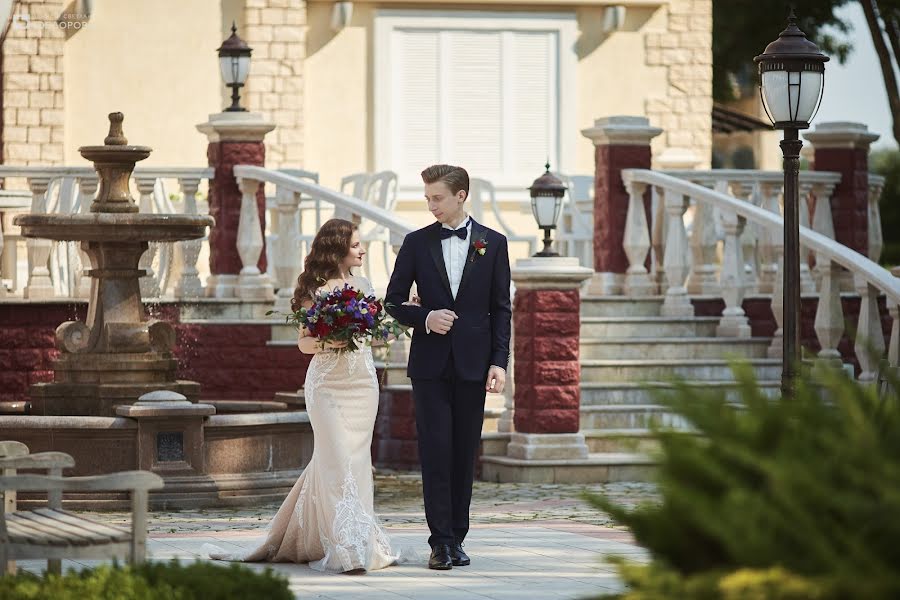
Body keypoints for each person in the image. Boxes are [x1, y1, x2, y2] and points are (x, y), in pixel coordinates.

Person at [208, 218, 398, 574]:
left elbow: (375, 336)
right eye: (356, 245)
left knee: (355, 462)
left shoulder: (365, 284)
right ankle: (343, 546)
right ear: (339, 247)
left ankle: (357, 541)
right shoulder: (315, 288)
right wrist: (331, 340)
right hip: (327, 386)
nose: (362, 250)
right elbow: (305, 343)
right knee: (336, 459)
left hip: (362, 384)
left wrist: (385, 333)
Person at [385, 164, 512, 570]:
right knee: (437, 452)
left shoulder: (494, 243)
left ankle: (458, 537)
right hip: (430, 366)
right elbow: (392, 301)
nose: (431, 205)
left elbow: (501, 310)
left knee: (463, 454)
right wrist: (425, 319)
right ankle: (439, 542)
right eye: (427, 198)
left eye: (436, 198)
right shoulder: (416, 243)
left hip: (476, 365)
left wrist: (499, 362)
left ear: (461, 196)